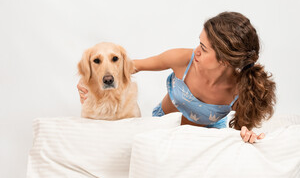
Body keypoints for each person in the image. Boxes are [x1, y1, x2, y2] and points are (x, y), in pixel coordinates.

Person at [78, 12, 276, 144]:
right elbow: (129, 67)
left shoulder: (239, 91)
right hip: (163, 131)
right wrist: (88, 78)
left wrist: (246, 134)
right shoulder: (183, 60)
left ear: (225, 61)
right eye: (199, 43)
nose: (196, 51)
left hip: (206, 140)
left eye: (204, 49)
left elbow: (242, 129)